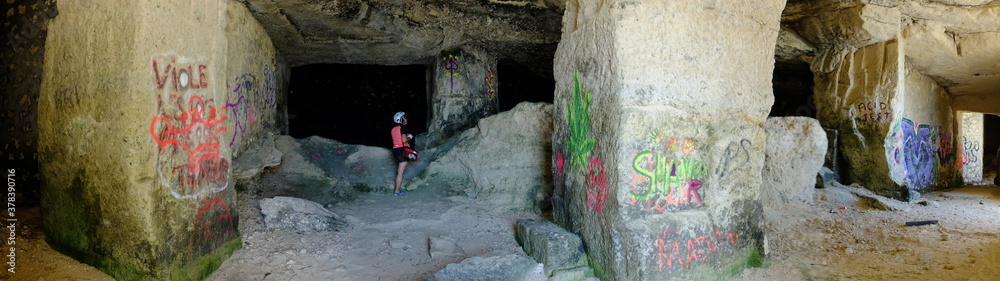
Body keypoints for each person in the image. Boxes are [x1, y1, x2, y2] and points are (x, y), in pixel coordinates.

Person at [390, 111, 415, 196]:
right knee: (401, 172)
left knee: (400, 170)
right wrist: (410, 137)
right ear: (401, 119)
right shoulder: (403, 128)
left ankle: (397, 190)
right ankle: (397, 191)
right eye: (404, 117)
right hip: (402, 150)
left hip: (395, 150)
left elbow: (397, 139)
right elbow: (404, 140)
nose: (406, 119)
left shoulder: (393, 129)